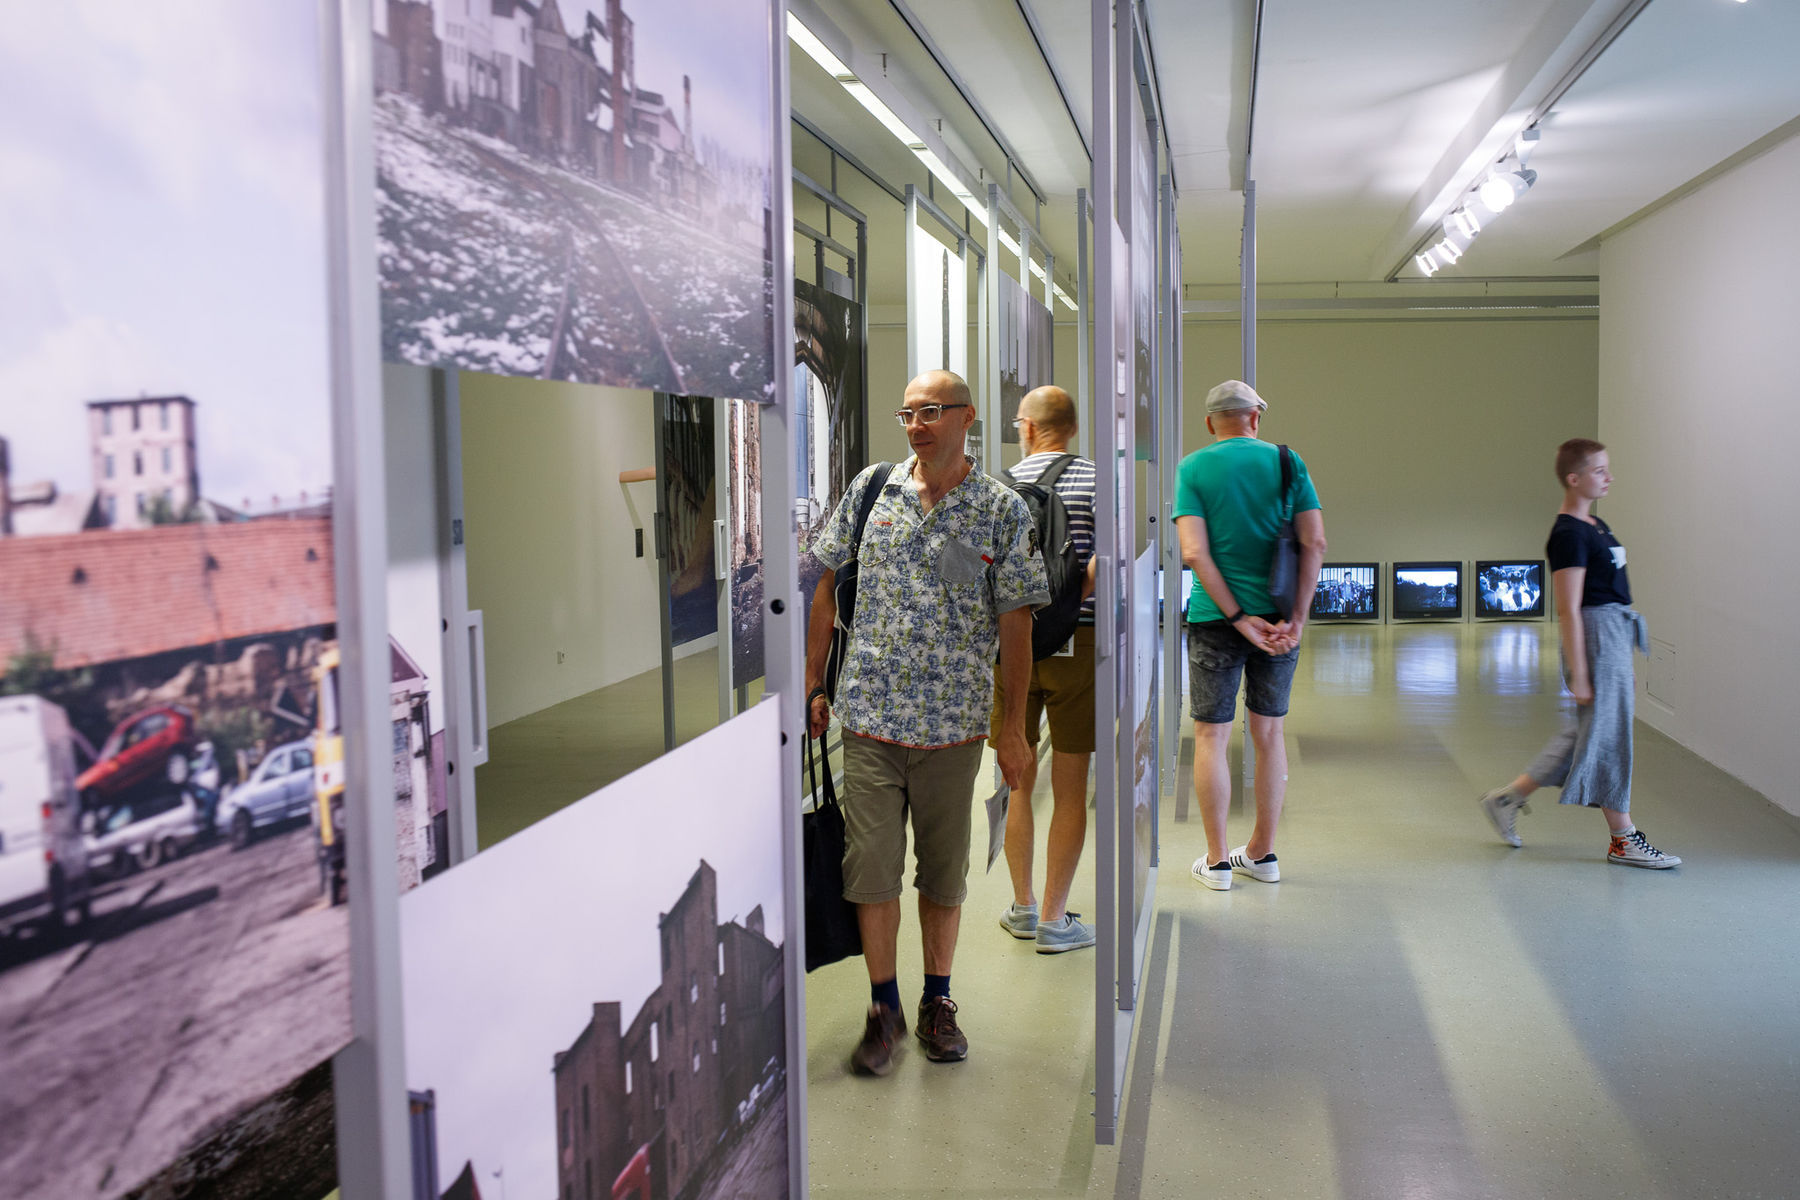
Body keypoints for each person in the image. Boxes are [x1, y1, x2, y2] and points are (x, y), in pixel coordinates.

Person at [805, 369, 1048, 1076]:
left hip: (954, 728)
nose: (916, 424)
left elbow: (1017, 625)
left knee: (942, 874)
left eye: (932, 411)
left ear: (967, 417)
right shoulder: (872, 490)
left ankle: (937, 1000)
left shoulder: (1000, 510)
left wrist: (1012, 729)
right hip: (870, 720)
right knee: (870, 870)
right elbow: (824, 582)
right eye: (908, 412)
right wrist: (816, 682)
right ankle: (883, 1008)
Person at [1478, 439, 1681, 867]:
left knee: (1585, 734)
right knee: (1608, 736)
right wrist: (1581, 673)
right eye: (1600, 470)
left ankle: (1507, 799)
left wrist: (1618, 659)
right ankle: (1622, 838)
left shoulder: (1596, 524)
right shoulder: (1568, 534)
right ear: (1574, 478)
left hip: (1613, 634)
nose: (1609, 477)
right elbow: (1569, 609)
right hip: (1596, 636)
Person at [1172, 380, 1326, 891]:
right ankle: (1262, 853)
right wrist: (1297, 619)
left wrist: (1238, 617)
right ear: (1255, 417)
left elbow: (1194, 552)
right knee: (1269, 734)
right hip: (1279, 621)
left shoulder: (1193, 468)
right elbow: (1315, 542)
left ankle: (1218, 862)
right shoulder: (1288, 463)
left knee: (1211, 735)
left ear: (1209, 423)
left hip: (1215, 619)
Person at [990, 385, 1100, 954]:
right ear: (1071, 428)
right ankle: (1057, 919)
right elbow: (1104, 561)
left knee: (1017, 777)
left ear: (1028, 428)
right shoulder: (1095, 479)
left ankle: (1023, 907)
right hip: (1076, 643)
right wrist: (1070, 603)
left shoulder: (998, 486)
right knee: (1070, 784)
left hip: (1011, 645)